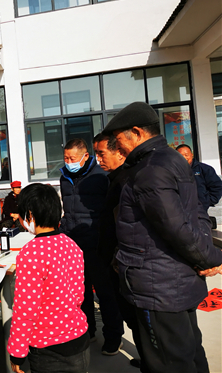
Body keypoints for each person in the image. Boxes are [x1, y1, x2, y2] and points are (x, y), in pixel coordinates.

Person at [103, 101, 222, 373]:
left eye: (118, 140)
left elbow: (176, 227)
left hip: (159, 286)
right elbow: (196, 212)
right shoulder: (170, 159)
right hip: (175, 280)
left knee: (169, 362)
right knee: (190, 353)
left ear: (136, 132)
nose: (117, 147)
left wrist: (210, 258)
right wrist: (207, 255)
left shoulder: (149, 170)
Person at [8, 183, 90, 373]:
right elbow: (78, 294)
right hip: (78, 336)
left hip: (48, 348)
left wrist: (17, 352)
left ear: (30, 215)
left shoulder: (31, 253)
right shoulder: (71, 244)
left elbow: (25, 309)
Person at [59, 138, 124, 356]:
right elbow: (68, 212)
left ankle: (113, 336)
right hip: (74, 245)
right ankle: (88, 331)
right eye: (66, 158)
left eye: (73, 158)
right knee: (80, 293)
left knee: (106, 293)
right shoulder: (65, 177)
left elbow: (112, 211)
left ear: (86, 156)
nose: (69, 162)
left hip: (98, 244)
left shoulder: (101, 176)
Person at [93, 133, 147, 371]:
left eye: (101, 153)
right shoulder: (114, 179)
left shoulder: (127, 181)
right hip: (115, 260)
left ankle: (150, 361)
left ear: (120, 153)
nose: (98, 159)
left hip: (125, 262)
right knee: (132, 318)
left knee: (138, 318)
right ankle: (146, 358)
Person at [176, 144, 222, 224]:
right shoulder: (172, 171)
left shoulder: (204, 169)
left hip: (200, 209)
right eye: (180, 155)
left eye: (186, 155)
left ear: (191, 155)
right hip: (179, 210)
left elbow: (217, 186)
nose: (184, 158)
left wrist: (207, 201)